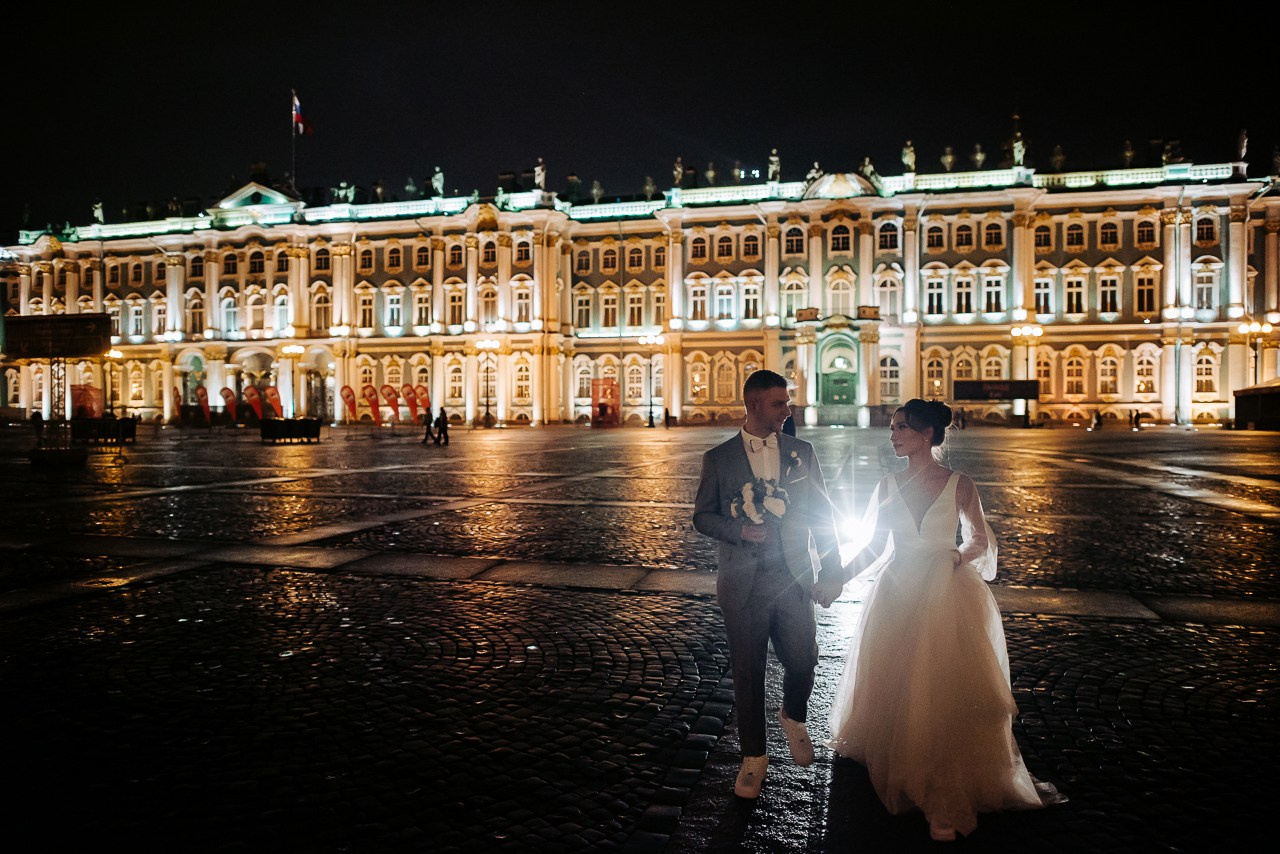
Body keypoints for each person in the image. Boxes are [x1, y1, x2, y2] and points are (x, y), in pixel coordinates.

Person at [813, 399, 1064, 841]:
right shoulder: (888, 484)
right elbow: (874, 548)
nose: (893, 436)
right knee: (898, 679)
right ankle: (902, 758)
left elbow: (980, 540)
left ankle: (942, 791)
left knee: (942, 684)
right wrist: (837, 580)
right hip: (895, 591)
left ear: (927, 434)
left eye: (902, 428)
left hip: (945, 589)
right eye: (892, 428)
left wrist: (955, 556)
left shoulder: (959, 484)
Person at [693, 370, 843, 799]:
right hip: (743, 584)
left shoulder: (802, 452)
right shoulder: (718, 459)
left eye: (788, 402)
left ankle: (793, 715)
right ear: (754, 405)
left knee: (803, 659)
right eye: (780, 403)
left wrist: (832, 569)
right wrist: (739, 531)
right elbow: (702, 516)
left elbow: (824, 513)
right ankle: (754, 758)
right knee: (748, 672)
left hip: (794, 577)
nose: (788, 410)